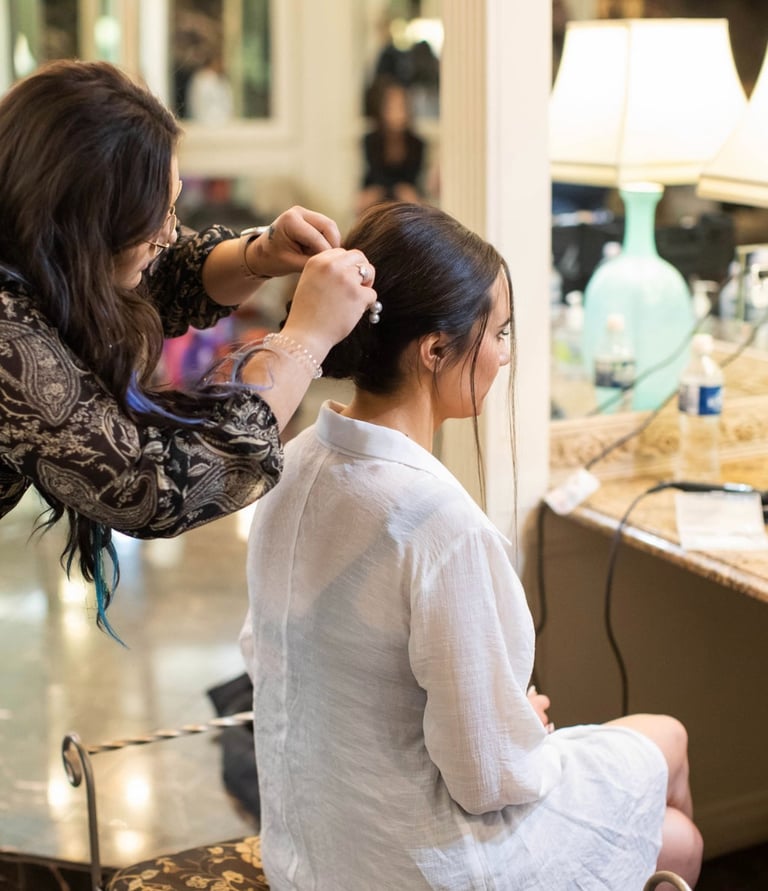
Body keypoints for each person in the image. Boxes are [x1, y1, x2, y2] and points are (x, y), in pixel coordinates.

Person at [240, 201, 703, 889]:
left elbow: (272, 659)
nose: (505, 353)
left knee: (660, 755)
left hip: (310, 847)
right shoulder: (433, 521)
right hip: (412, 865)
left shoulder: (293, 461)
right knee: (676, 802)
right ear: (434, 349)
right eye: (500, 331)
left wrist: (503, 720)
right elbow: (489, 778)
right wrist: (519, 726)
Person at [0, 59, 376, 634]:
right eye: (159, 214)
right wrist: (306, 339)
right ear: (89, 222)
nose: (172, 232)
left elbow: (155, 277)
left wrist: (262, 252)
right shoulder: (10, 339)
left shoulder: (36, 249)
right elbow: (153, 485)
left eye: (174, 205)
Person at [356, 77, 426, 216]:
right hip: (377, 189)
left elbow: (413, 177)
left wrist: (404, 192)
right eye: (392, 106)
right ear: (382, 108)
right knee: (364, 200)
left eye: (401, 105)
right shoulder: (371, 140)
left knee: (412, 198)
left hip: (405, 191)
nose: (397, 111)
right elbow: (375, 175)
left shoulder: (417, 143)